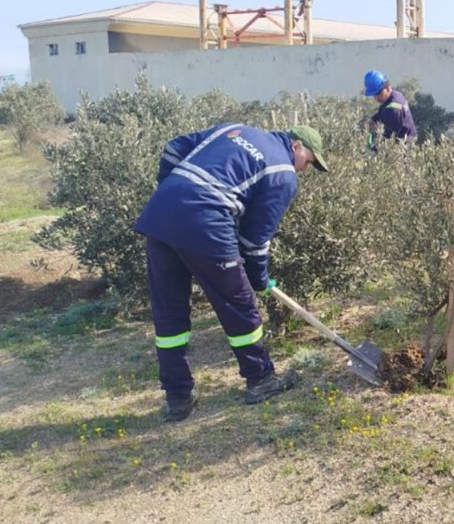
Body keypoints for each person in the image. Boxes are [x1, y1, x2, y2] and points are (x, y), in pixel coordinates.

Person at [134, 122, 329, 421]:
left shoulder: (235, 129)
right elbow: (255, 240)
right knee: (239, 305)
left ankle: (177, 398)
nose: (304, 169)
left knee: (168, 310)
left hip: (160, 216)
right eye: (308, 161)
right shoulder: (283, 172)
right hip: (206, 222)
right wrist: (258, 279)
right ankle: (261, 379)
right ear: (296, 145)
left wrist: (173, 192)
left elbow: (174, 148)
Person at [363, 70, 416, 148]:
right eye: (374, 94)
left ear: (387, 88)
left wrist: (372, 150)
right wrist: (373, 119)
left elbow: (387, 141)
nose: (376, 98)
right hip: (406, 140)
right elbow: (383, 110)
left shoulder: (393, 110)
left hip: (402, 148)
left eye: (378, 93)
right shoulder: (395, 95)